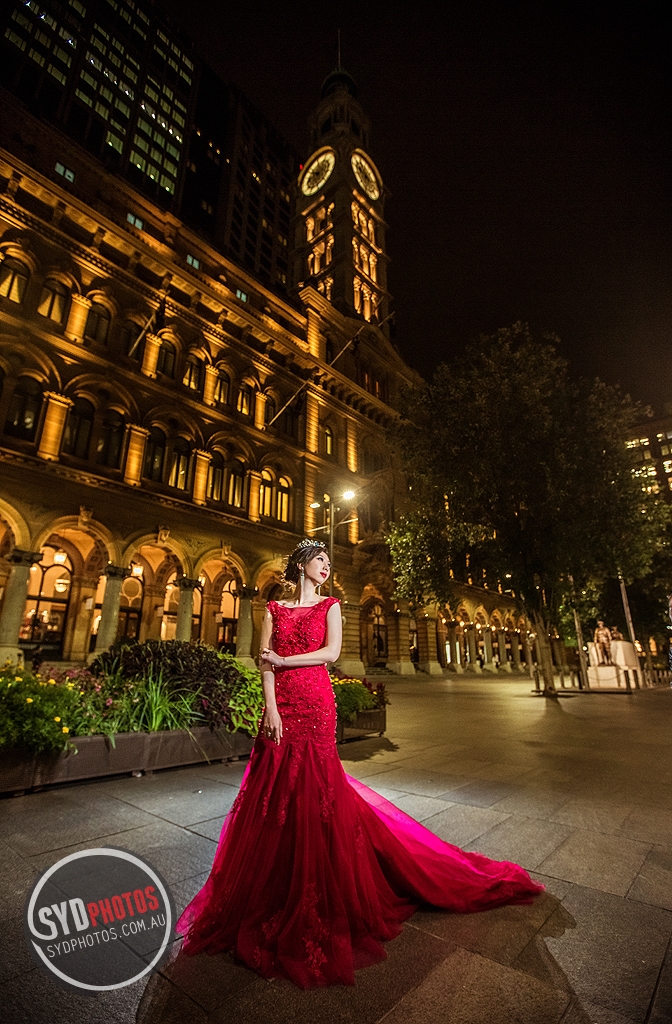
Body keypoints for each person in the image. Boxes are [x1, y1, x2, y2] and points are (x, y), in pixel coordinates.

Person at [176, 539, 543, 988]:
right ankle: (271, 888)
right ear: (301, 565)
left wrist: (286, 659)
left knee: (318, 790)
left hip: (315, 701)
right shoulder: (273, 608)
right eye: (320, 560)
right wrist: (270, 707)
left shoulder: (331, 606)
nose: (326, 566)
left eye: (329, 561)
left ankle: (324, 883)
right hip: (282, 703)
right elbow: (263, 662)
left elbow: (331, 654)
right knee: (273, 789)